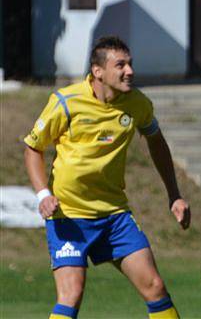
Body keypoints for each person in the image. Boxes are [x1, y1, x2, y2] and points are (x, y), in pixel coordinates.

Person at [24, 36, 191, 319]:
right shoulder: (66, 101)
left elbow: (157, 143)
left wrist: (174, 194)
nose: (130, 71)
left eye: (130, 64)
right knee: (71, 294)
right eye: (121, 65)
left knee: (155, 286)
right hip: (69, 217)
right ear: (98, 71)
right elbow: (33, 148)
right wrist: (43, 195)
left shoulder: (138, 104)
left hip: (114, 216)